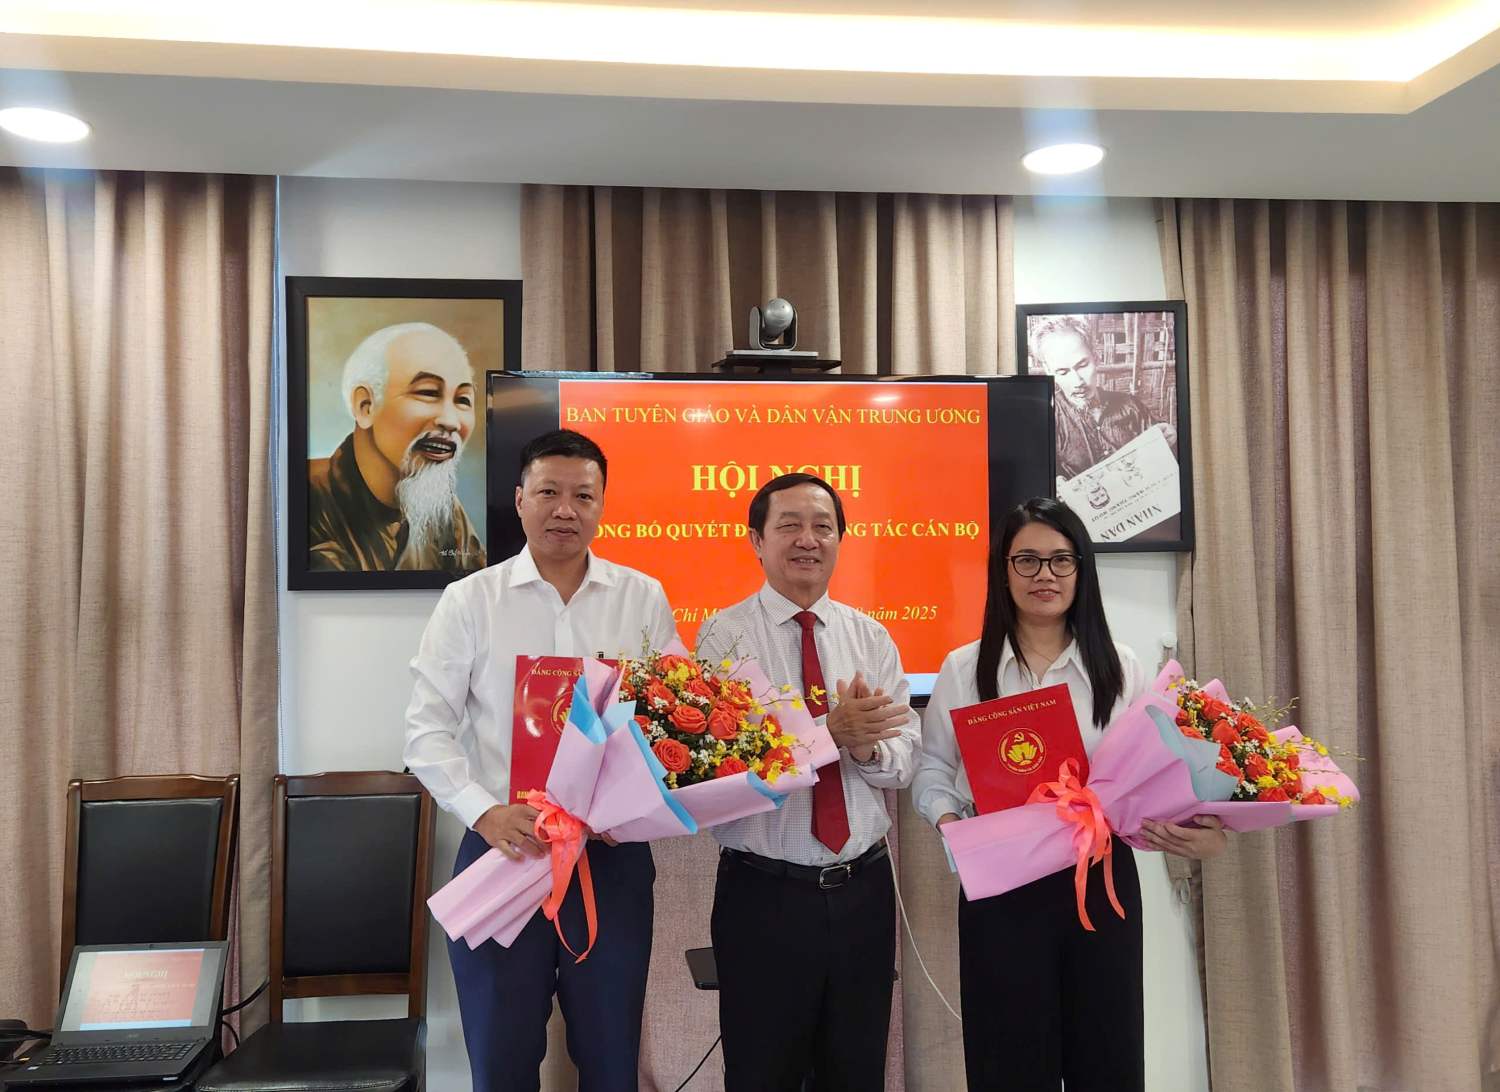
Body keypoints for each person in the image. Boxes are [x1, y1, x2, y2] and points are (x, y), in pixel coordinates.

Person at [913, 497, 1225, 1091]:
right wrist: (950, 820)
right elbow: (932, 768)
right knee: (1007, 1058)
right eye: (1026, 560)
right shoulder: (963, 668)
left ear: (1082, 569)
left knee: (1106, 1054)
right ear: (1003, 571)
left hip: (1099, 881)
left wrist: (1198, 827)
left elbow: (1158, 774)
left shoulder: (1122, 667)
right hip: (1002, 884)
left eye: (1061, 559)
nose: (1045, 575)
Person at [403, 428, 676, 1092]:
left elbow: (667, 716)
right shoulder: (471, 600)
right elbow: (425, 733)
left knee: (611, 1059)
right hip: (506, 848)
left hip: (608, 858)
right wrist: (484, 813)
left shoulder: (642, 597)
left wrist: (633, 798)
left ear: (602, 505)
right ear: (520, 500)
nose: (565, 510)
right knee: (501, 1057)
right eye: (549, 492)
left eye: (584, 495)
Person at [696, 473, 920, 1092]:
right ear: (756, 540)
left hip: (863, 891)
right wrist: (830, 732)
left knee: (857, 1071)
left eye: (823, 527)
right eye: (789, 525)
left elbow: (904, 763)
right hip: (764, 896)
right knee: (761, 1073)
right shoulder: (723, 637)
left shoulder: (870, 636)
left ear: (840, 540)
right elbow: (726, 768)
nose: (808, 540)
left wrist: (867, 746)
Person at [307, 321, 485, 572]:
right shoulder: (306, 497)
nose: (451, 421)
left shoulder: (442, 510)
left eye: (463, 400)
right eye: (428, 392)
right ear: (366, 406)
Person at [1029, 315, 1177, 481]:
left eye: (1083, 365)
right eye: (1062, 372)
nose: (1077, 381)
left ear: (1096, 357)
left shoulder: (1131, 406)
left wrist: (1169, 439)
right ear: (1048, 370)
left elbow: (1164, 463)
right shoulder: (1046, 422)